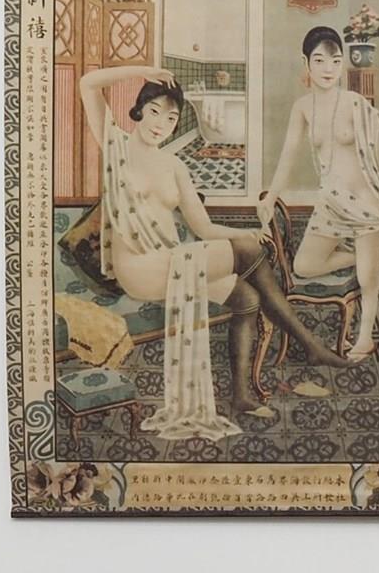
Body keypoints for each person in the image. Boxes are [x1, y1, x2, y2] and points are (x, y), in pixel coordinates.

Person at [79, 63, 338, 421]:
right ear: (138, 111)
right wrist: (143, 70)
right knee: (249, 253)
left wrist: (241, 233)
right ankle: (308, 343)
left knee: (246, 298)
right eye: (154, 112)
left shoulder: (175, 166)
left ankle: (242, 397)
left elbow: (202, 227)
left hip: (170, 260)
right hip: (139, 270)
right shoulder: (115, 145)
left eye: (171, 119)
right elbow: (89, 83)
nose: (160, 124)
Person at [263, 27, 379, 364]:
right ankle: (359, 256)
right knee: (305, 265)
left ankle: (365, 336)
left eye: (335, 60)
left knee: (368, 278)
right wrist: (271, 196)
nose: (328, 68)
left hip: (367, 200)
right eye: (320, 60)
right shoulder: (302, 107)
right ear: (306, 63)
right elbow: (288, 155)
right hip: (332, 202)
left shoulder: (354, 102)